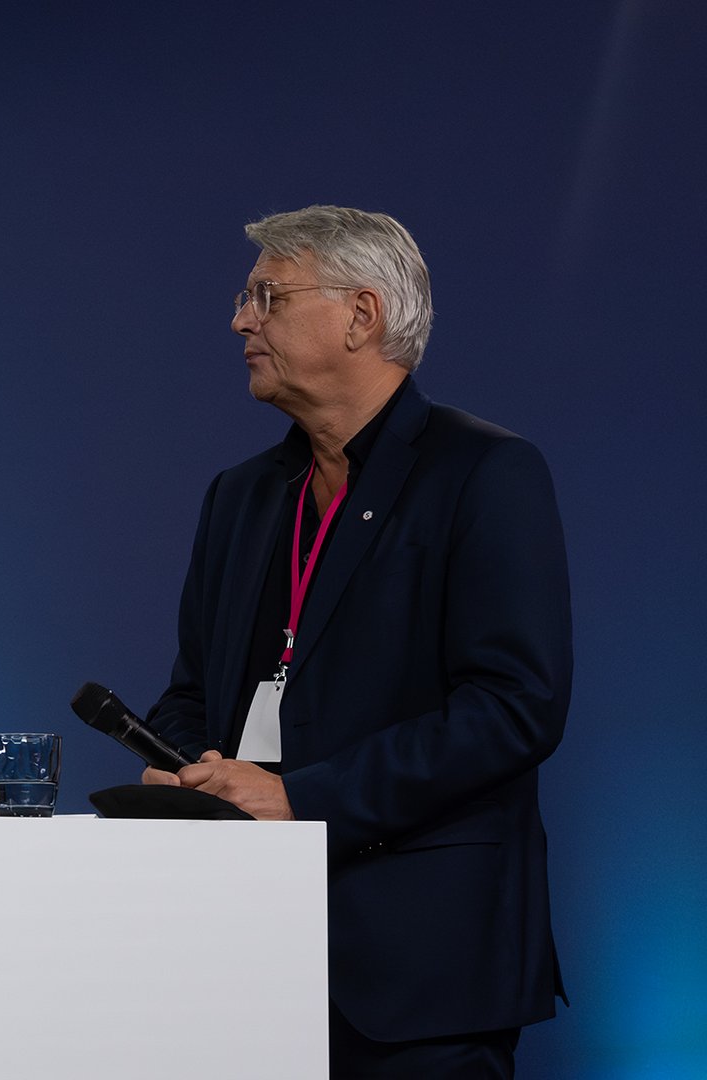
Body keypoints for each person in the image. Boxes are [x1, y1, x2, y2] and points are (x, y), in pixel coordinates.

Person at [140, 206, 569, 1077]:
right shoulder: (242, 496)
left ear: (360, 315)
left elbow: (514, 708)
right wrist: (193, 773)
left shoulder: (483, 472)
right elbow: (191, 696)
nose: (239, 320)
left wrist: (300, 797)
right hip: (243, 965)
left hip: (420, 973)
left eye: (265, 295)